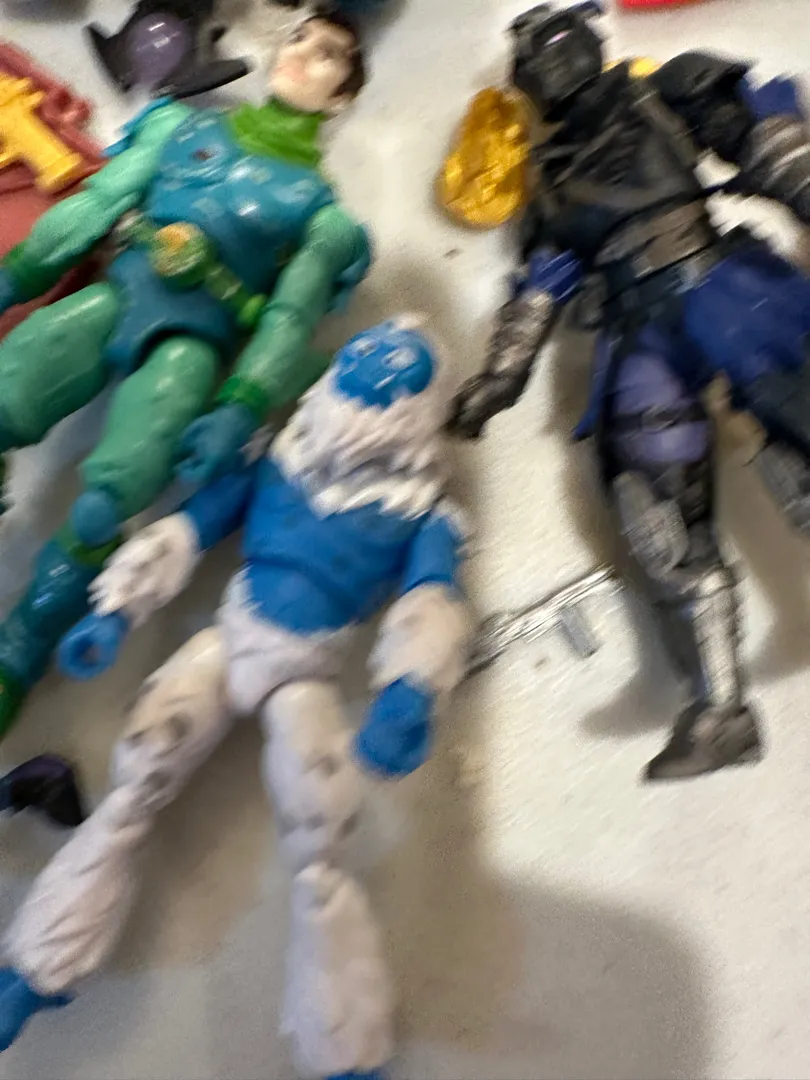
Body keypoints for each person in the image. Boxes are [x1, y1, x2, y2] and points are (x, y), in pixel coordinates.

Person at [0, 319, 471, 1078]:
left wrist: (408, 691)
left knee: (319, 842)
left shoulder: (421, 512)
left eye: (389, 383)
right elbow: (189, 529)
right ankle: (34, 971)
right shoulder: (277, 457)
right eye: (360, 368)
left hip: (305, 675)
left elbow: (431, 599)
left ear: (418, 414)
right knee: (138, 774)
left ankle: (345, 1047)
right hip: (228, 639)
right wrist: (116, 611)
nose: (367, 389)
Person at [447, 0, 810, 779]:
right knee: (655, 509)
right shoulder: (546, 178)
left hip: (722, 286)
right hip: (638, 328)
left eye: (559, 42)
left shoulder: (664, 90)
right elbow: (540, 285)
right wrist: (500, 377)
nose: (550, 62)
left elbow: (764, 137)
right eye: (532, 56)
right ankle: (720, 709)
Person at [0, 3, 371, 736]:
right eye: (299, 37)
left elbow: (288, 319)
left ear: (342, 98)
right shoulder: (180, 126)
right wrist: (18, 275)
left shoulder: (319, 213)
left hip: (190, 343)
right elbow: (99, 204)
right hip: (118, 294)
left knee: (110, 499)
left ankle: (19, 649)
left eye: (327, 54)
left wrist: (241, 404)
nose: (301, 53)